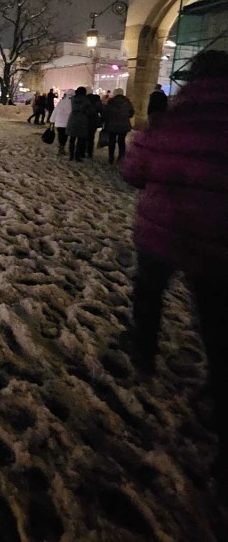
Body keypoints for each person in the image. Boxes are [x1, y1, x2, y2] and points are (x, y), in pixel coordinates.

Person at [122, 50, 228, 481]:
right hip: (218, 242)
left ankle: (143, 352)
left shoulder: (169, 120)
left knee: (148, 293)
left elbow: (133, 171)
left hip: (161, 232)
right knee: (218, 327)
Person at [102, 88, 134, 164]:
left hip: (112, 124)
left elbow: (106, 112)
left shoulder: (111, 101)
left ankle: (111, 157)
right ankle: (121, 157)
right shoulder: (127, 101)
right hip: (123, 125)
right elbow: (131, 112)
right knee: (121, 141)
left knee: (111, 141)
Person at [66, 86, 91, 162]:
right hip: (82, 121)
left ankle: (71, 155)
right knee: (80, 140)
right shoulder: (87, 100)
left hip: (73, 120)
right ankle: (77, 156)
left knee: (72, 139)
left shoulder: (72, 99)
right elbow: (88, 111)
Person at [49, 89, 75, 155]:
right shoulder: (73, 103)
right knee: (67, 137)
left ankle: (61, 148)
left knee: (61, 136)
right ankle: (65, 149)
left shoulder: (61, 102)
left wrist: (52, 120)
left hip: (59, 122)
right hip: (68, 123)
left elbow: (55, 111)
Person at [85, 90, 104, 158]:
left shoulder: (85, 100)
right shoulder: (97, 101)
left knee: (84, 136)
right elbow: (101, 110)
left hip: (85, 120)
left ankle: (83, 150)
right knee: (91, 137)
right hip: (94, 121)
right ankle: (89, 152)